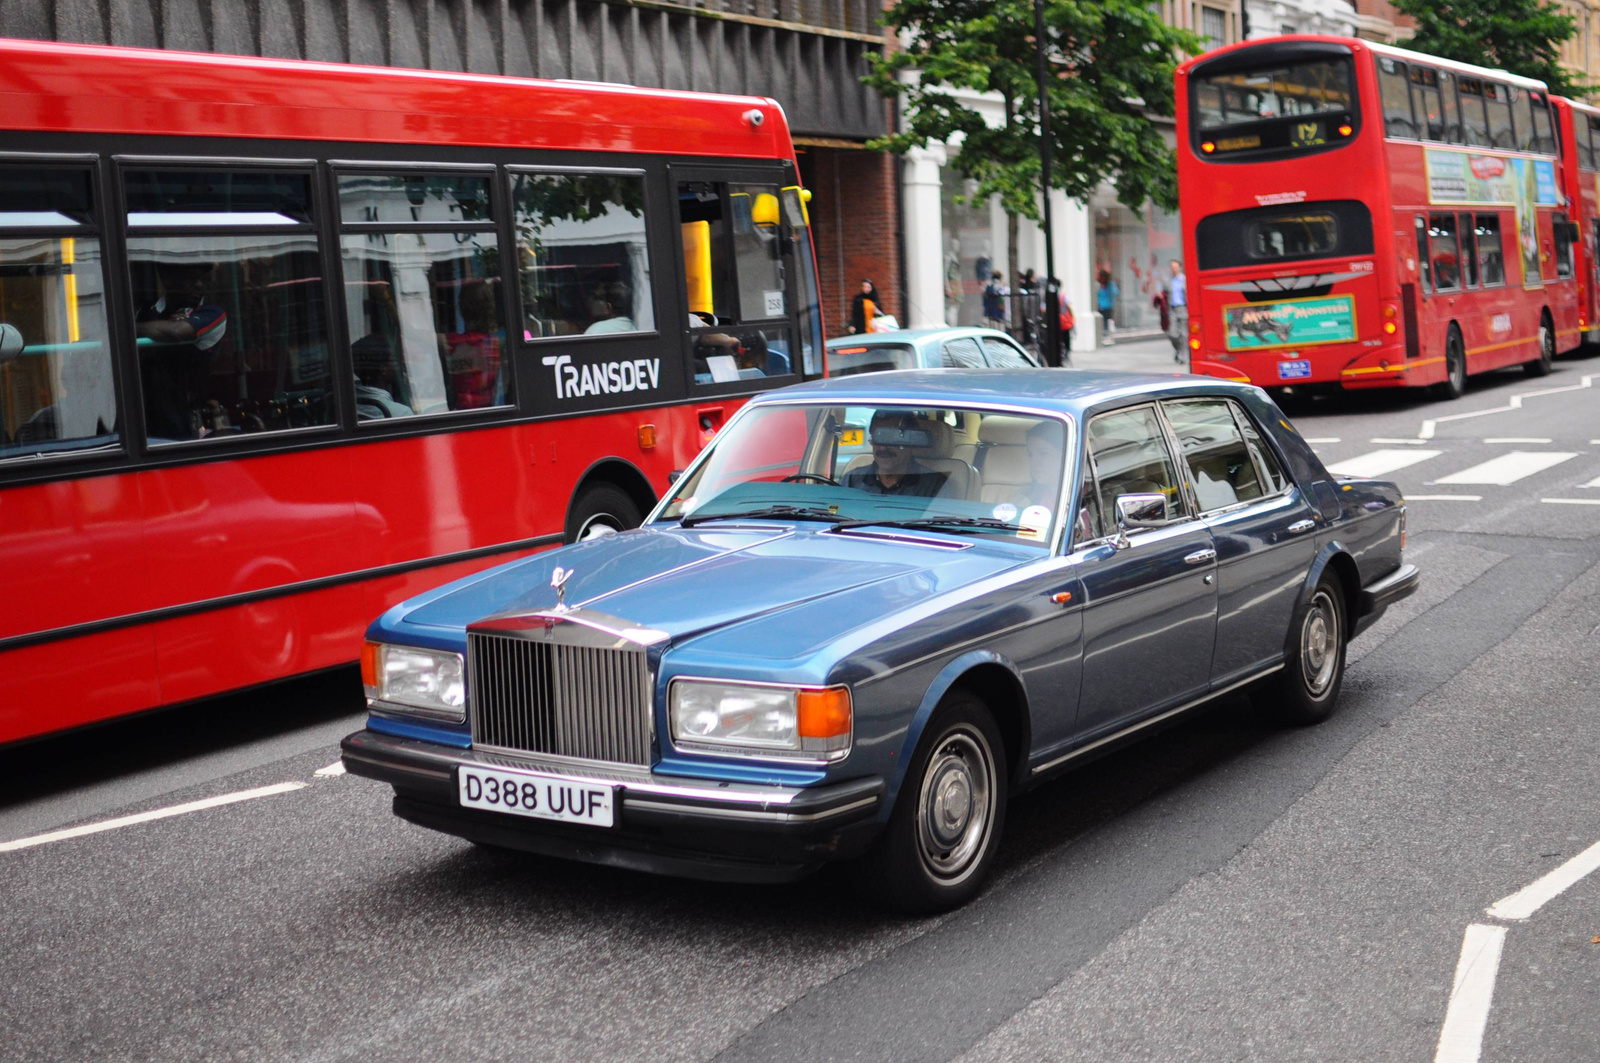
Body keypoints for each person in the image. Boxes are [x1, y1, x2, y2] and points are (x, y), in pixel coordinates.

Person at [136, 259, 228, 439]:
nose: (199, 284)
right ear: (168, 279)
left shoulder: (211, 314)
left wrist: (132, 327)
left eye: (202, 278)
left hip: (187, 426)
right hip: (142, 422)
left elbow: (176, 332)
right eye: (191, 278)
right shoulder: (145, 310)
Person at [841, 410, 948, 497]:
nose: (883, 447)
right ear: (872, 441)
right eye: (879, 437)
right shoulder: (852, 480)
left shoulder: (935, 486)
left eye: (892, 438)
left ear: (911, 443)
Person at [1009, 421, 1065, 511]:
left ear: (1064, 455)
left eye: (1043, 453)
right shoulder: (1023, 497)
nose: (1034, 462)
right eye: (1030, 455)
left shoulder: (1083, 499)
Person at [1167, 259, 1189, 362]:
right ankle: (1178, 350)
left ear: (1180, 268)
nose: (1174, 269)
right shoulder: (1169, 281)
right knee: (1172, 333)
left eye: (1176, 267)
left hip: (1183, 308)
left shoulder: (1184, 280)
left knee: (1184, 334)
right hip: (1172, 309)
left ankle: (1182, 355)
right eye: (1172, 268)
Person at [1096, 270, 1118, 344]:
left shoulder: (1111, 285)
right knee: (1103, 322)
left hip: (1109, 306)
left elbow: (1116, 292)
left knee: (1108, 322)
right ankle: (1104, 336)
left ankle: (1109, 336)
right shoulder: (1098, 285)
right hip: (1101, 307)